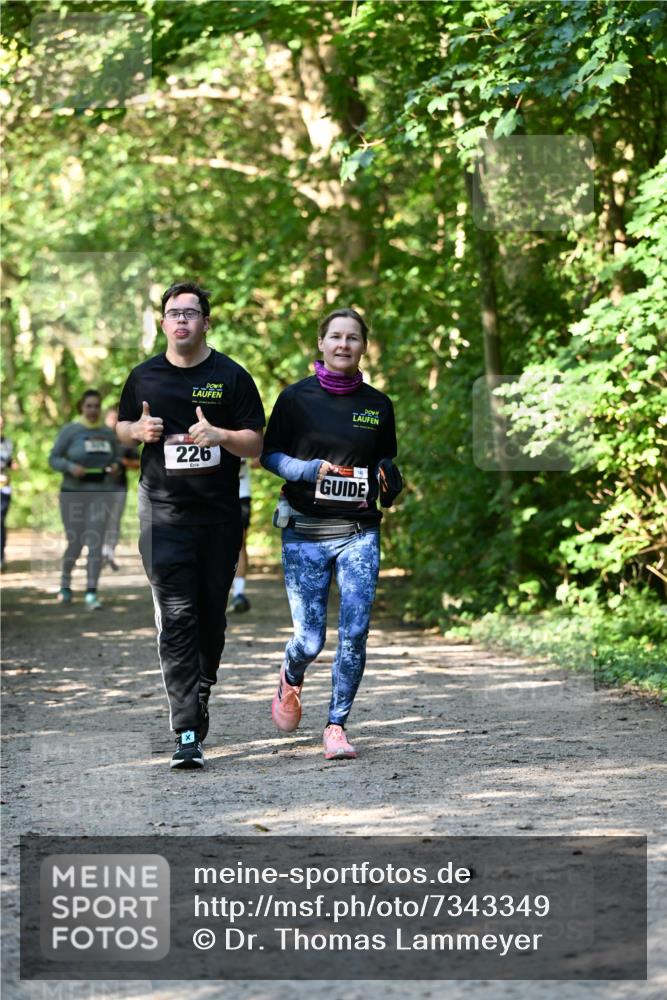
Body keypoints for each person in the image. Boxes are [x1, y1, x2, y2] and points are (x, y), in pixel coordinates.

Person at [116, 281, 264, 771]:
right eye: (173, 312)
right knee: (177, 616)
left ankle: (201, 685)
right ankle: (186, 730)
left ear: (206, 322)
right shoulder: (144, 378)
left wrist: (220, 434)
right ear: (163, 322)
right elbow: (119, 429)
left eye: (191, 313)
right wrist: (136, 432)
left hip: (218, 517)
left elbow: (256, 444)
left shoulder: (231, 377)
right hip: (161, 514)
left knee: (210, 618)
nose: (182, 320)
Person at [261, 307, 402, 761]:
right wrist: (303, 469)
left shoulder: (378, 405)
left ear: (364, 347)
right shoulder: (295, 398)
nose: (344, 345)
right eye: (335, 337)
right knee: (310, 639)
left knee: (356, 632)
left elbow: (384, 461)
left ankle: (337, 725)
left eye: (353, 338)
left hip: (359, 531)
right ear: (321, 343)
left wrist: (387, 475)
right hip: (305, 531)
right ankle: (290, 673)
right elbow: (269, 455)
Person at [48, 389, 121, 609]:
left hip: (100, 493)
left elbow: (117, 456)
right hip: (73, 493)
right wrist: (71, 467)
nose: (93, 410)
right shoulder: (71, 430)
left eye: (96, 406)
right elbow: (53, 458)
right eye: (89, 406)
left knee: (96, 542)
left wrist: (116, 466)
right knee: (76, 541)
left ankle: (91, 591)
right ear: (82, 407)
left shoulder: (108, 433)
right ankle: (65, 584)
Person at [101, 406, 140, 572]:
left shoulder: (126, 440)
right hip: (97, 487)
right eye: (110, 418)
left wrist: (122, 462)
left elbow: (138, 464)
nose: (112, 422)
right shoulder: (97, 437)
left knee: (114, 521)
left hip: (118, 487)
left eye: (115, 419)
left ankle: (109, 554)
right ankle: (98, 554)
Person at [230, 457, 256, 613]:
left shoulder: (245, 431)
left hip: (241, 494)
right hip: (212, 494)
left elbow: (262, 456)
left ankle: (239, 593)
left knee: (239, 543)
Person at [0, 415, 16, 570]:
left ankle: (0, 556)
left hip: (3, 487)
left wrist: (13, 464)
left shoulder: (8, 443)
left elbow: (9, 461)